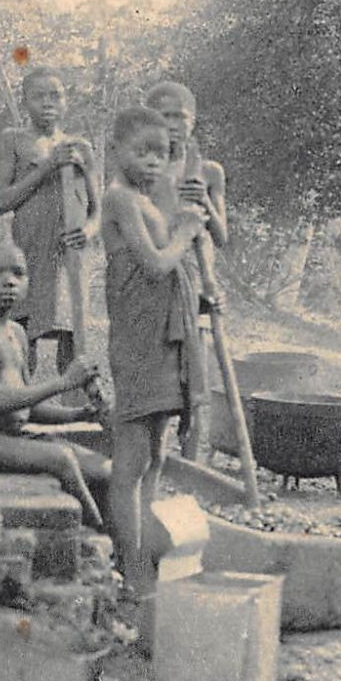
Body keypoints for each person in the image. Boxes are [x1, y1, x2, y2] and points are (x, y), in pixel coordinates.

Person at [101, 105, 216, 596]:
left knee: (157, 455)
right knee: (130, 460)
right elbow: (153, 264)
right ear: (116, 151)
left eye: (161, 153)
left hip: (165, 338)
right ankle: (130, 567)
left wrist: (190, 222)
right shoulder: (119, 199)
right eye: (141, 152)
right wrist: (186, 232)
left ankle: (145, 559)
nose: (152, 162)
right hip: (138, 339)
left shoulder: (151, 200)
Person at [0, 239, 109, 526]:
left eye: (18, 273)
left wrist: (78, 415)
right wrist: (64, 383)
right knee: (61, 460)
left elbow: (28, 407)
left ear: (29, 281)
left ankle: (124, 547)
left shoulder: (16, 332)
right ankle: (102, 542)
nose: (9, 282)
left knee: (104, 468)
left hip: (12, 436)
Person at [0, 67, 100, 376]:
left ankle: (75, 404)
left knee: (71, 327)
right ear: (25, 101)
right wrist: (46, 167)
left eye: (56, 96)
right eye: (39, 97)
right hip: (29, 251)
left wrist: (87, 232)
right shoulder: (13, 140)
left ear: (66, 102)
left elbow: (97, 210)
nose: (48, 103)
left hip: (68, 255)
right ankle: (24, 401)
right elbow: (2, 202)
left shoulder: (80, 148)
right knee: (24, 330)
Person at [143, 81, 229, 456]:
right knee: (158, 371)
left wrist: (204, 205)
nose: (175, 125)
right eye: (166, 117)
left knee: (195, 374)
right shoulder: (145, 169)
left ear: (193, 122)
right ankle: (155, 453)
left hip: (197, 277)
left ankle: (192, 458)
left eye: (182, 117)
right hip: (157, 272)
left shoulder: (208, 171)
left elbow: (221, 235)